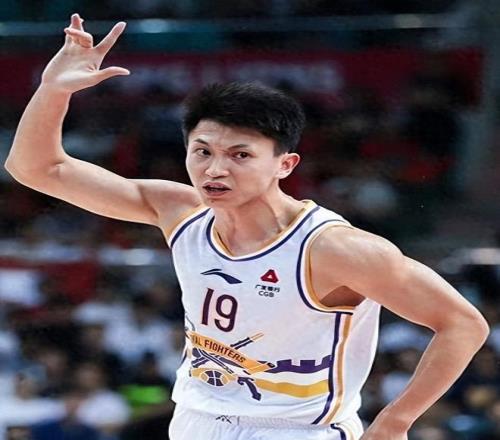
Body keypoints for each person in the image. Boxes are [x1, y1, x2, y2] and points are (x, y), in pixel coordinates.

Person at [4, 13, 489, 440]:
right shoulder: (179, 210)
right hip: (196, 420)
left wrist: (396, 421)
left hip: (298, 429)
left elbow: (463, 323)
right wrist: (53, 90)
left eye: (240, 155)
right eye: (203, 152)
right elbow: (36, 169)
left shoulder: (334, 248)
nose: (215, 170)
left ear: (285, 164)